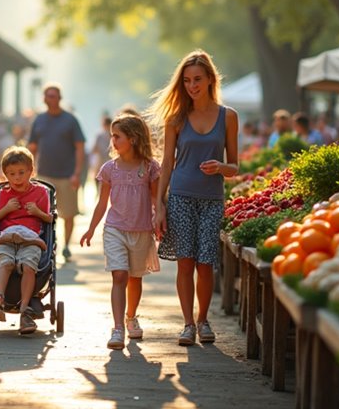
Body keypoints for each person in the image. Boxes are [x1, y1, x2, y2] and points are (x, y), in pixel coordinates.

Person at [149, 50, 239, 346]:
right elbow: (166, 164)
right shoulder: (175, 119)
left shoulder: (228, 117)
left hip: (212, 198)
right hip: (181, 196)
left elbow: (235, 166)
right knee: (185, 263)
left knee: (206, 263)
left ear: (211, 79)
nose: (192, 86)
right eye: (186, 80)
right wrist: (158, 205)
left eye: (197, 79)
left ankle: (204, 320)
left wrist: (221, 166)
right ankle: (188, 324)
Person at [79, 114, 161, 350]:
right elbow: (102, 203)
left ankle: (131, 316)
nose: (112, 140)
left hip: (142, 230)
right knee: (120, 276)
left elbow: (156, 199)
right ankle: (117, 328)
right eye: (112, 136)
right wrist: (91, 229)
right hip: (115, 229)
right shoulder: (109, 169)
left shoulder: (149, 168)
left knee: (135, 277)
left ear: (133, 139)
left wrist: (159, 220)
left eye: (117, 136)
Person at [0, 146, 52, 335]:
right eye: (11, 174)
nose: (17, 178)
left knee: (29, 265)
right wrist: (6, 209)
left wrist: (37, 212)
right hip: (7, 236)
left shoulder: (41, 193)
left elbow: (49, 219)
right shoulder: (0, 194)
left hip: (30, 238)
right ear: (5, 175)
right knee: (5, 262)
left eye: (22, 173)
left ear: (31, 171)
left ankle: (24, 310)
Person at [27, 84, 85, 260]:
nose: (50, 98)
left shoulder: (70, 120)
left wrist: (77, 173)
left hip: (66, 175)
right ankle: (47, 244)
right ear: (44, 98)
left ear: (59, 98)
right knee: (44, 213)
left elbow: (80, 147)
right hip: (44, 174)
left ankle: (66, 245)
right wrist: (29, 171)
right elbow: (32, 146)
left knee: (68, 213)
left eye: (53, 96)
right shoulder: (39, 120)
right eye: (47, 96)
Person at [89, 115, 112, 182]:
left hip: (102, 165)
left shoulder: (100, 135)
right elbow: (94, 149)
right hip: (103, 164)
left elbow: (93, 149)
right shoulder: (113, 135)